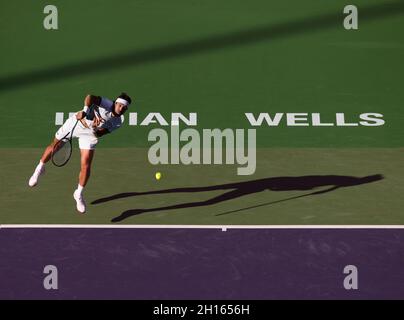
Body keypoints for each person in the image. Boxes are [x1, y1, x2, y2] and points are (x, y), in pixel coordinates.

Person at [28, 92, 132, 213]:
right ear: (116, 103)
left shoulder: (118, 122)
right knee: (55, 146)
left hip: (89, 134)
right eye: (120, 105)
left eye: (125, 108)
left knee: (86, 165)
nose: (122, 109)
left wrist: (94, 127)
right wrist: (84, 111)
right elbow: (90, 97)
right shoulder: (106, 103)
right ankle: (39, 168)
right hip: (76, 123)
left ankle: (78, 193)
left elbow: (100, 133)